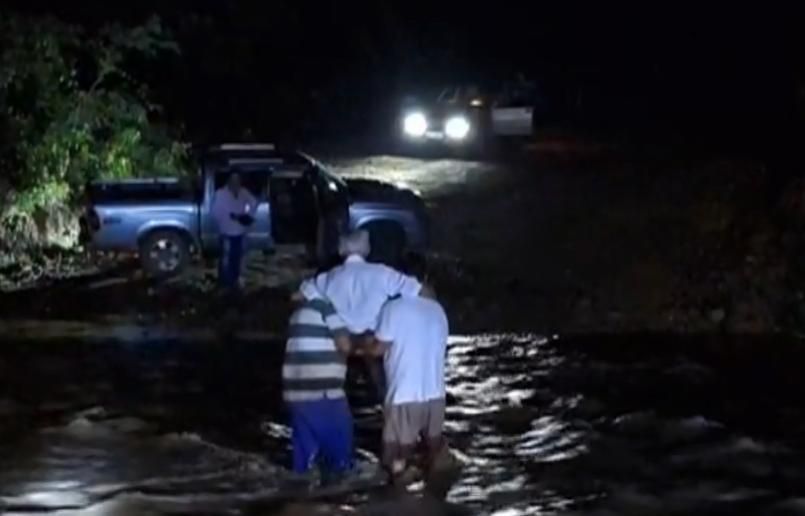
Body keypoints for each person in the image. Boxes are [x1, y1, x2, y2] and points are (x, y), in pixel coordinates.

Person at [297, 229, 422, 398]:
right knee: (382, 386)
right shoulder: (381, 273)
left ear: (342, 251)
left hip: (341, 340)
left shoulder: (330, 277)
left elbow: (304, 292)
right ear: (367, 249)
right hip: (373, 340)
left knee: (338, 387)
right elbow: (414, 288)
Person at [365, 261, 449, 485]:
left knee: (395, 456)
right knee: (433, 450)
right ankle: (435, 496)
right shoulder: (438, 310)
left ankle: (399, 502)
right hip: (436, 395)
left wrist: (361, 346)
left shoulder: (393, 309)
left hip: (404, 395)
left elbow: (377, 349)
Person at [283, 280, 355, 480]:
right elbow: (345, 345)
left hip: (295, 396)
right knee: (340, 457)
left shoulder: (296, 316)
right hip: (324, 395)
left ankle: (302, 495)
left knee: (305, 459)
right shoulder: (325, 308)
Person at [211, 170, 256, 289]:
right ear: (229, 180)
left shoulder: (243, 192)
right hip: (227, 232)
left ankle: (236, 282)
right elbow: (215, 213)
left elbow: (253, 202)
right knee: (226, 259)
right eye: (233, 180)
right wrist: (228, 218)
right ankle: (225, 284)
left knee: (238, 258)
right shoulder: (221, 194)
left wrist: (246, 215)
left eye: (238, 180)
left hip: (240, 232)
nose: (236, 183)